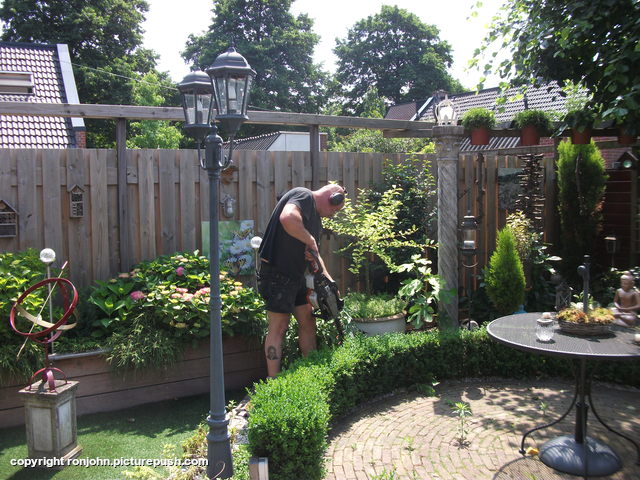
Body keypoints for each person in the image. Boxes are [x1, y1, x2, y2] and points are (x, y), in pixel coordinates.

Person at [257, 184, 346, 377]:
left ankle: (310, 374)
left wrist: (330, 282)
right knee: (278, 328)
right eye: (334, 209)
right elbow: (288, 218)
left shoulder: (316, 220)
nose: (333, 214)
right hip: (277, 276)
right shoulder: (304, 196)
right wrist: (309, 239)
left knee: (308, 322)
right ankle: (274, 383)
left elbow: (314, 254)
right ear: (332, 198)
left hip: (297, 277)